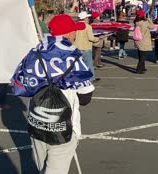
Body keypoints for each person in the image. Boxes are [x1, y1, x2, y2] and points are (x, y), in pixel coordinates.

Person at [12, 14, 95, 174]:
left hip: (37, 122)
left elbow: (20, 85)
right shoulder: (74, 58)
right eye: (74, 31)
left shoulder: (33, 54)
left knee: (41, 166)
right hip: (64, 127)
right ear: (69, 34)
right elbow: (85, 97)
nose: (75, 34)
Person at [75, 11, 100, 82]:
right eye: (87, 17)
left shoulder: (75, 26)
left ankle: (80, 78)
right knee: (89, 64)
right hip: (86, 48)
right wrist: (97, 39)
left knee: (79, 65)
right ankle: (91, 78)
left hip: (77, 48)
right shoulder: (88, 27)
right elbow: (91, 38)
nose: (88, 19)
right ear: (85, 18)